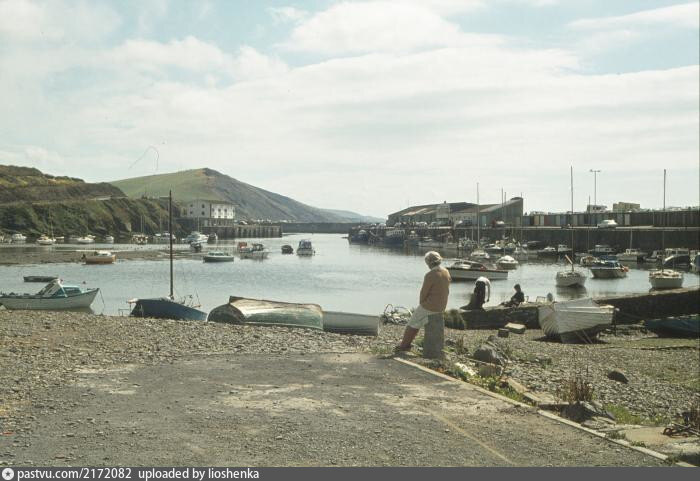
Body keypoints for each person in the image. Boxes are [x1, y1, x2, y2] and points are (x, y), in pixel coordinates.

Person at [395, 251, 451, 352]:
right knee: (418, 321)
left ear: (429, 262)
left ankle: (404, 345)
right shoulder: (446, 272)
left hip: (430, 306)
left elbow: (424, 292)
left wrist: (422, 304)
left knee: (412, 322)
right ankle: (407, 344)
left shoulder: (430, 275)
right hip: (442, 306)